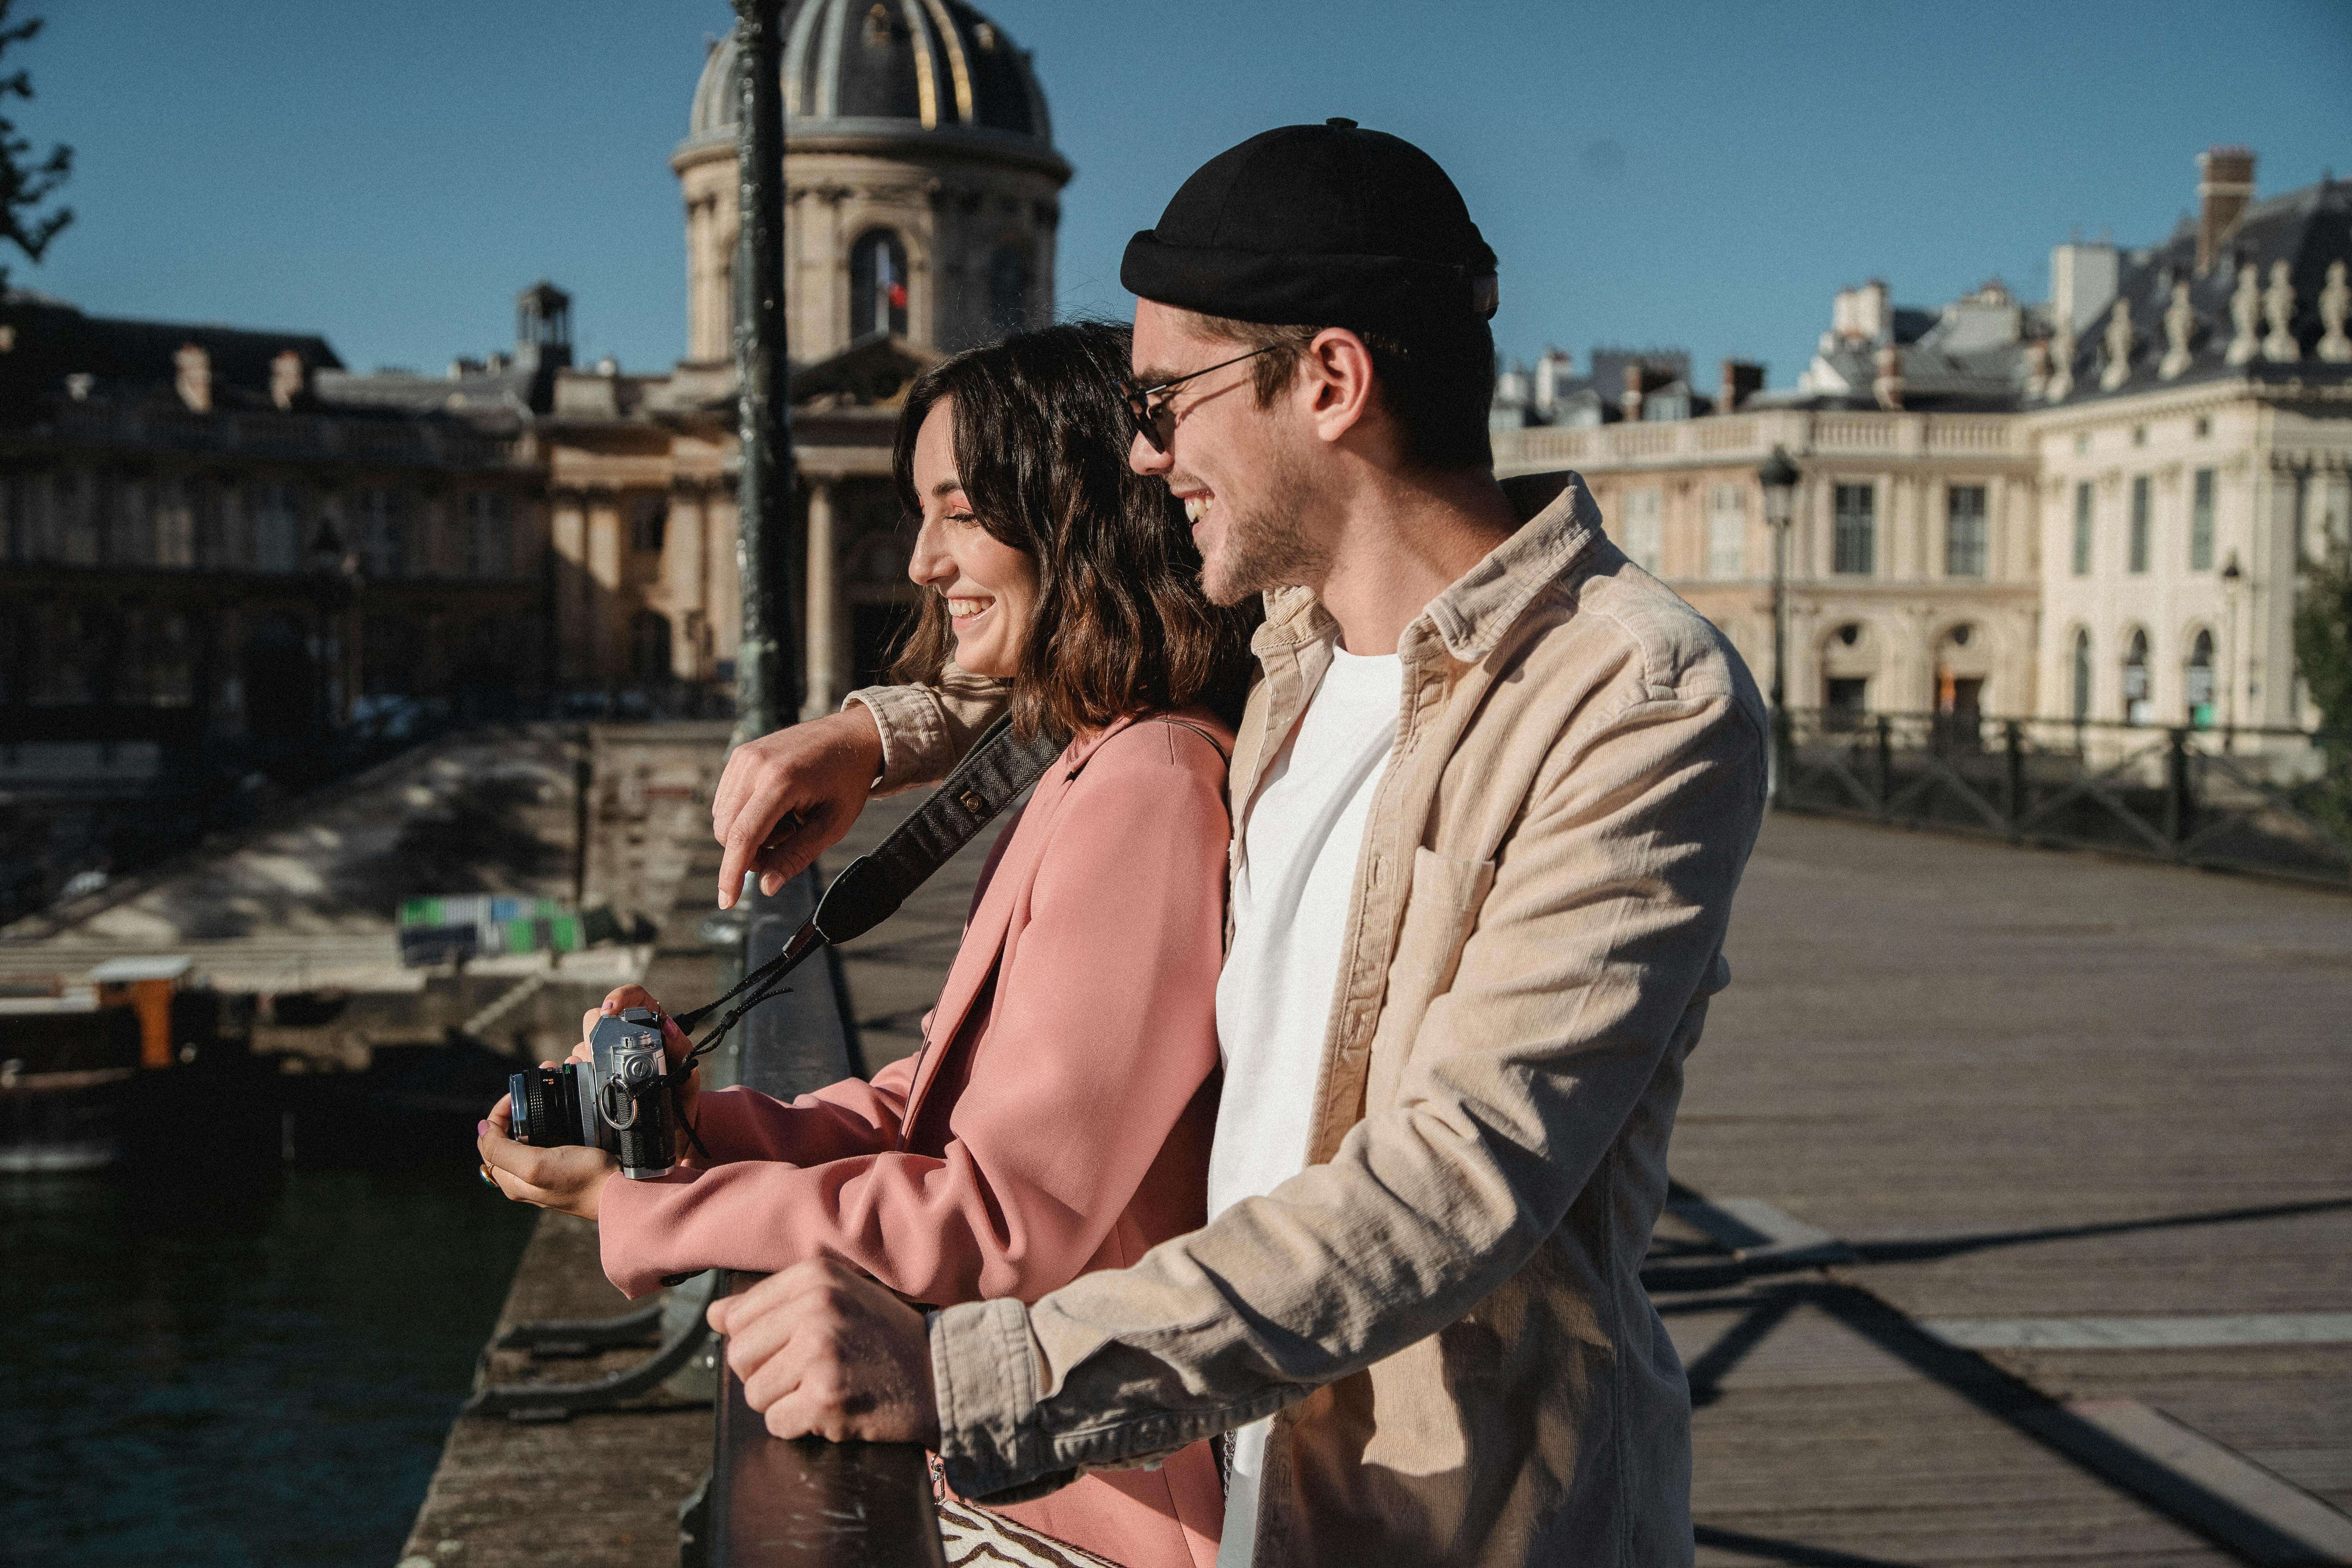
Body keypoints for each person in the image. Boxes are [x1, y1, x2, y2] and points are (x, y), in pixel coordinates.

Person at [701, 121, 1769, 1568]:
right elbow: (1089, 623)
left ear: (1329, 381)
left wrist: (973, 1373)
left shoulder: (1635, 695)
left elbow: (1453, 1182)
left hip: (1460, 1520)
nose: (1145, 454)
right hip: (1256, 1487)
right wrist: (879, 733)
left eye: (1167, 401)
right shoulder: (1291, 646)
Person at [477, 321, 1257, 1568]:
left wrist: (645, 1209)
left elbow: (1002, 1221)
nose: (921, 562)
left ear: (1073, 516)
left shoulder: (1148, 786)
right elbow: (943, 1097)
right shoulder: (1101, 757)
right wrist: (707, 1129)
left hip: (1094, 1519)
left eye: (960, 513)